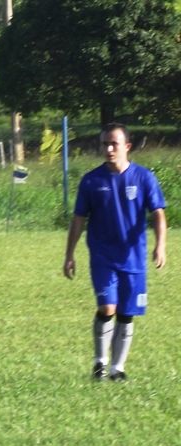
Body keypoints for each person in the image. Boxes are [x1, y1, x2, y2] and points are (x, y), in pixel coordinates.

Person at [63, 122, 167, 382]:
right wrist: (70, 254)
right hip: (102, 256)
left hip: (133, 258)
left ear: (127, 147)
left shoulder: (144, 178)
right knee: (107, 307)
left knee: (127, 312)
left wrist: (160, 245)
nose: (108, 149)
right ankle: (100, 362)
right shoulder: (91, 180)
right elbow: (78, 219)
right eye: (104, 144)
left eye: (114, 144)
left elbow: (158, 213)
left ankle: (117, 369)